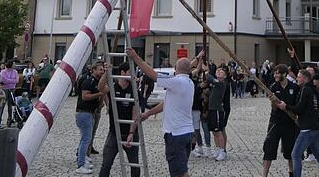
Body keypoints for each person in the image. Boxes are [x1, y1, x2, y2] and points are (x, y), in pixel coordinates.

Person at [127, 47, 195, 177]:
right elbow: (166, 104)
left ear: (175, 68)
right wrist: (148, 113)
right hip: (186, 133)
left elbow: (152, 74)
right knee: (180, 169)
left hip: (176, 134)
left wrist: (136, 57)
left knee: (180, 173)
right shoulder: (189, 83)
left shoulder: (177, 82)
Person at [276, 69, 319, 177]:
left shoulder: (306, 89)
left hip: (307, 129)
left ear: (305, 79)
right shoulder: (313, 90)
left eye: (299, 77)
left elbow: (299, 109)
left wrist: (285, 106)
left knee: (295, 155)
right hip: (314, 127)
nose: (297, 79)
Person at [98, 62, 140, 177]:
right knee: (106, 163)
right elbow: (100, 87)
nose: (133, 74)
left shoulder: (134, 90)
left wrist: (131, 133)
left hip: (130, 133)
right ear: (122, 73)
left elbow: (135, 113)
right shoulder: (113, 87)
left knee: (134, 164)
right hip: (114, 132)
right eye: (130, 72)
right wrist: (107, 73)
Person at [262, 64, 299, 177]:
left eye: (278, 73)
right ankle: (264, 175)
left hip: (290, 123)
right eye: (274, 73)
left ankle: (291, 173)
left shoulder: (294, 87)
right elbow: (273, 108)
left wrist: (287, 107)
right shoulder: (273, 87)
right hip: (275, 122)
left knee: (290, 151)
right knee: (269, 149)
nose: (275, 75)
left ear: (284, 74)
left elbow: (296, 105)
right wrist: (274, 101)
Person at [75, 61, 105, 174]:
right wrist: (99, 94)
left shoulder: (97, 82)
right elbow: (85, 96)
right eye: (100, 69)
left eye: (103, 70)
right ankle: (80, 164)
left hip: (89, 113)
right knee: (86, 139)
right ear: (93, 70)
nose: (101, 71)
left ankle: (83, 158)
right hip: (84, 113)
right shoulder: (89, 81)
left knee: (86, 138)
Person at [205, 64, 229, 161]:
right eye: (218, 71)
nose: (219, 72)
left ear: (225, 76)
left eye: (221, 72)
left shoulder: (221, 83)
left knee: (218, 131)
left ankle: (223, 151)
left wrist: (207, 71)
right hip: (212, 109)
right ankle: (218, 149)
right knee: (214, 132)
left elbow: (210, 78)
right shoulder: (215, 83)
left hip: (218, 110)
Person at [0, 61, 18, 127]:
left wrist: (9, 81)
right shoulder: (3, 72)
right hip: (5, 89)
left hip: (12, 89)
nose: (14, 65)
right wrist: (12, 81)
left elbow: (17, 80)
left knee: (10, 105)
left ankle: (9, 119)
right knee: (2, 104)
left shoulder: (15, 72)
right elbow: (3, 80)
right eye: (14, 64)